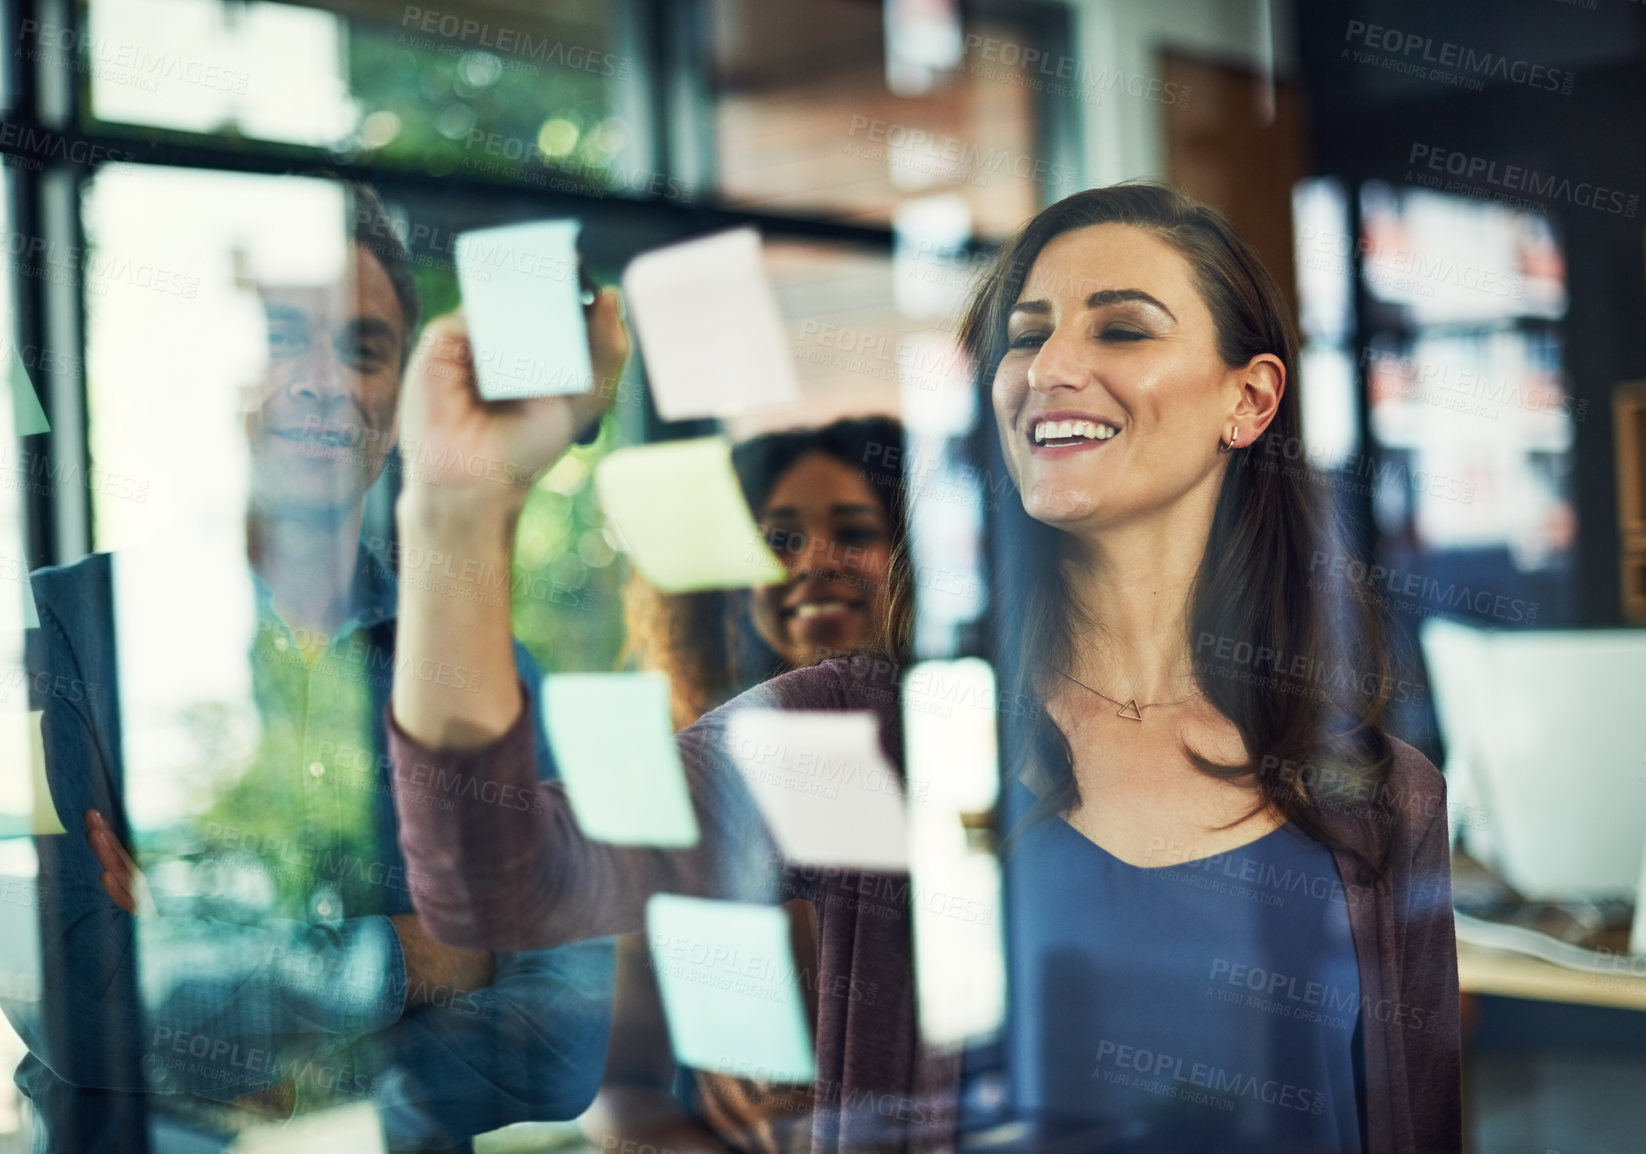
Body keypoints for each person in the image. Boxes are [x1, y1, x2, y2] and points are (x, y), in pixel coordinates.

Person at [382, 182, 1462, 1154]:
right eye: (1022, 338)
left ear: (1250, 398)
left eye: (1122, 327)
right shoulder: (865, 739)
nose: (1049, 369)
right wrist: (457, 508)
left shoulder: (1379, 794)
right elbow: (495, 875)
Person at [9, 183, 619, 1153]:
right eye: (285, 334)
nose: (323, 381)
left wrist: (228, 991)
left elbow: (562, 1038)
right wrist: (431, 955)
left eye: (364, 349)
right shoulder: (69, 628)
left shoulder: (495, 671)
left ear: (398, 391)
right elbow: (75, 1000)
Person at [590, 417, 906, 1154]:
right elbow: (619, 1094)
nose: (817, 562)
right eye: (779, 540)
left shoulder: (974, 774)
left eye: (854, 530)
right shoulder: (687, 801)